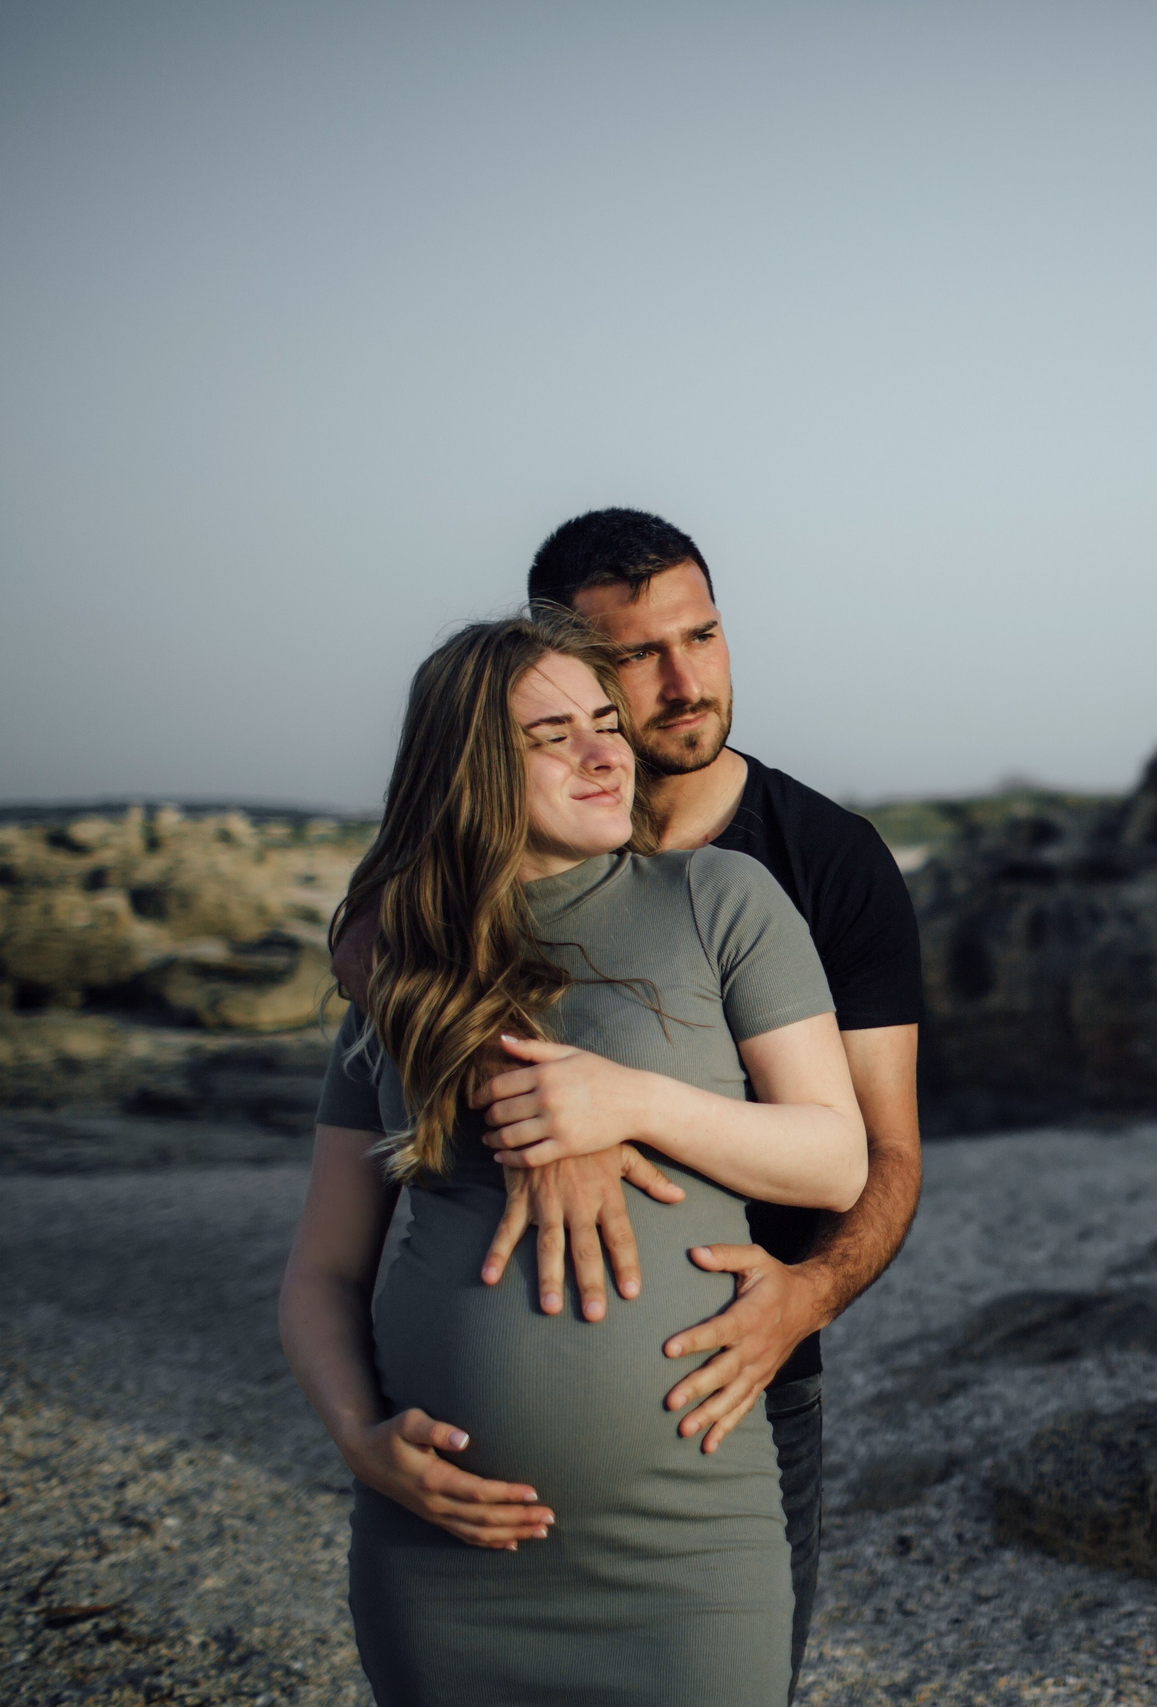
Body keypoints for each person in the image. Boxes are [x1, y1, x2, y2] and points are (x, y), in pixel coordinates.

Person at [332, 508, 926, 1688]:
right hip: (454, 1531)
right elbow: (369, 940)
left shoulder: (809, 863)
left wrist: (801, 1298)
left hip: (736, 1389)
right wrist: (531, 1102)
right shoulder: (437, 912)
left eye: (701, 637)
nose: (681, 682)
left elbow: (879, 1149)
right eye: (631, 661)